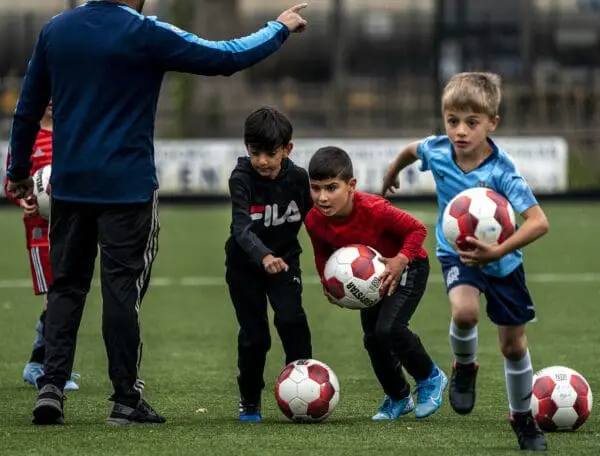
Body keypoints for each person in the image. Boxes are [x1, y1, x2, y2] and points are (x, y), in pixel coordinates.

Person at [6, 0, 309, 426]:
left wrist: (18, 171)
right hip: (126, 189)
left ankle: (51, 387)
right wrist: (277, 28)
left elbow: (28, 105)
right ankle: (125, 400)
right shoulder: (145, 32)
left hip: (70, 186)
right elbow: (225, 56)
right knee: (121, 292)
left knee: (67, 288)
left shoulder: (57, 29)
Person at [381, 72, 550, 451]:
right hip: (456, 254)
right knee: (464, 313)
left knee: (513, 346)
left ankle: (522, 417)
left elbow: (540, 222)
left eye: (472, 123)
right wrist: (392, 174)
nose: (460, 131)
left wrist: (498, 251)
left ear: (492, 123)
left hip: (503, 264)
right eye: (452, 120)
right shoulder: (438, 150)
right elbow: (412, 150)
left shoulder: (502, 172)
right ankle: (465, 367)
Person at [304, 146, 447, 421]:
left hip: (410, 266)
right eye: (316, 188)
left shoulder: (374, 209)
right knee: (373, 339)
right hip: (370, 279)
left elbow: (417, 229)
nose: (322, 197)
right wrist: (327, 281)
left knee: (389, 328)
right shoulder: (313, 219)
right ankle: (398, 396)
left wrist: (401, 259)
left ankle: (430, 377)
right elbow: (322, 252)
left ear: (351, 185)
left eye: (331, 188)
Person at [225, 107, 313, 422]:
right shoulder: (241, 178)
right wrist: (263, 256)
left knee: (292, 321)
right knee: (255, 336)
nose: (262, 160)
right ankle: (249, 399)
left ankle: (304, 392)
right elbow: (241, 228)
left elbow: (314, 221)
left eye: (270, 153)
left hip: (285, 263)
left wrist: (332, 255)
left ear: (287, 149)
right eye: (255, 152)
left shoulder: (299, 178)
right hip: (244, 266)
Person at [3, 102, 80, 392]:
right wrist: (23, 199)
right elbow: (11, 184)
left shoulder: (72, 133)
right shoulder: (28, 138)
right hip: (39, 231)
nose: (50, 101)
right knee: (54, 296)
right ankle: (42, 364)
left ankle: (49, 362)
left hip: (72, 226)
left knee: (67, 293)